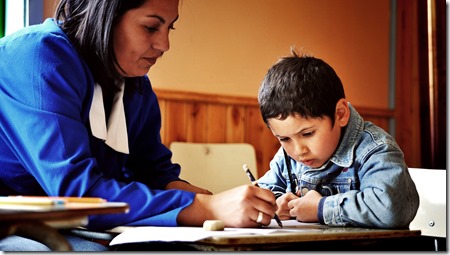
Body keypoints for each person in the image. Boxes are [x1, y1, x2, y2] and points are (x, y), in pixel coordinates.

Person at [0, 0, 277, 251]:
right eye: (150, 27)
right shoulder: (38, 56)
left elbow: (154, 170)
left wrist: (213, 199)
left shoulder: (135, 86)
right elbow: (75, 192)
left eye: (170, 28)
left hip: (71, 223)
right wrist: (204, 208)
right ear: (105, 14)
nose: (165, 44)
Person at [256, 48, 419, 229]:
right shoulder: (287, 157)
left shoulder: (375, 149)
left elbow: (390, 209)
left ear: (340, 114)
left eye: (308, 134)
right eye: (284, 139)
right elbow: (263, 192)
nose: (298, 150)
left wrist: (321, 208)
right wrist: (274, 204)